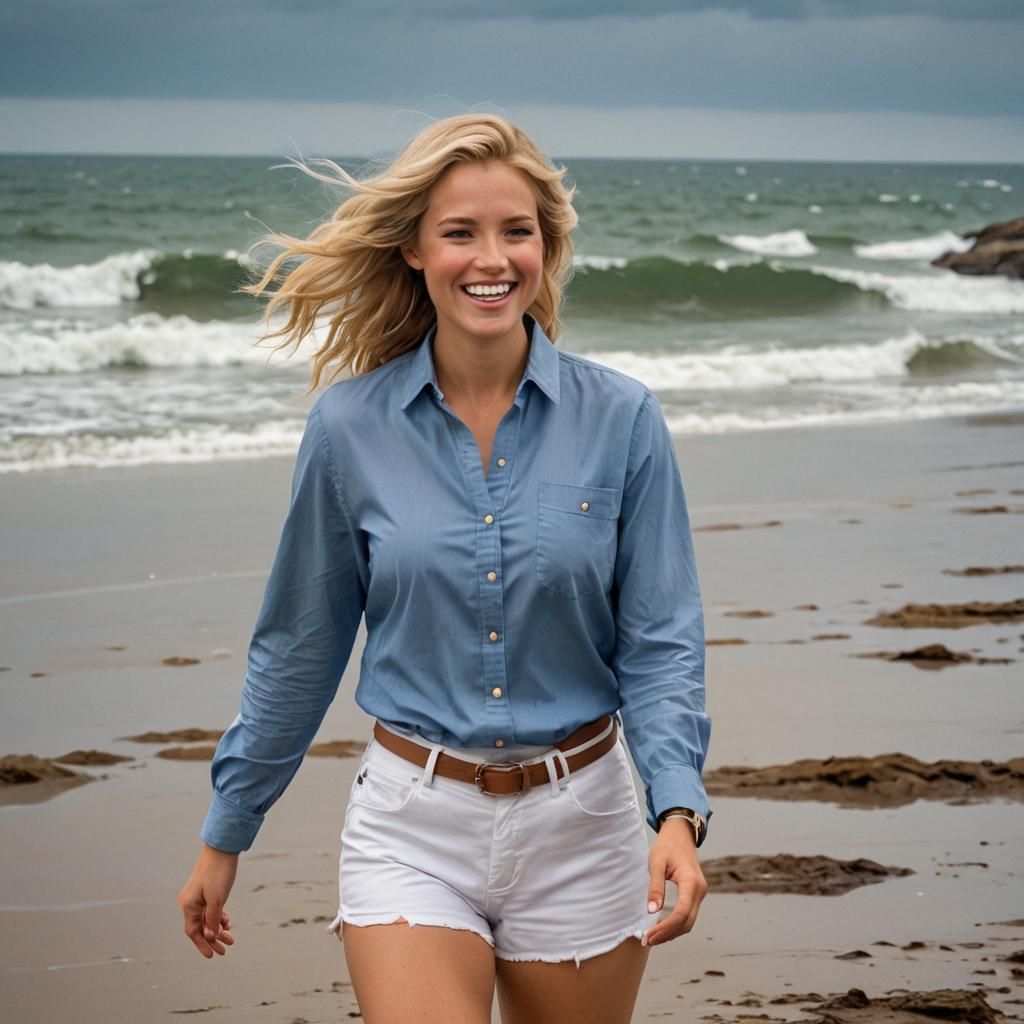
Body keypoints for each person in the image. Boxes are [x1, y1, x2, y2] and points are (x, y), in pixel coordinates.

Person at [177, 112, 712, 1024]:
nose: (490, 258)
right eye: (459, 232)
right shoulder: (350, 430)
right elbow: (299, 648)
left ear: (547, 247)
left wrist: (676, 813)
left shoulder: (623, 420)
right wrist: (228, 831)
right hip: (411, 824)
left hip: (582, 823)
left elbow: (659, 643)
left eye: (517, 231)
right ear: (416, 252)